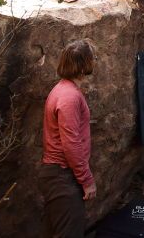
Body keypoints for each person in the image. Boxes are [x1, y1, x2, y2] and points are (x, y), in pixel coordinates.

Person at [39, 39, 97, 238]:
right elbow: (71, 143)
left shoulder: (64, 90)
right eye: (92, 58)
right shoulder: (69, 97)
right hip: (62, 175)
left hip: (59, 174)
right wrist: (87, 180)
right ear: (84, 64)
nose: (94, 61)